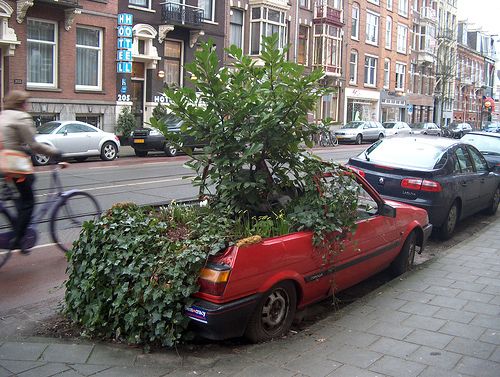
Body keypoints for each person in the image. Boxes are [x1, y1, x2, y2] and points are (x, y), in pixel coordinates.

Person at [0, 90, 61, 253]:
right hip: (13, 165)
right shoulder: (21, 117)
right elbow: (34, 145)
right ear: (21, 104)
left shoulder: (3, 115)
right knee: (29, 203)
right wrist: (55, 152)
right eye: (27, 103)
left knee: (24, 191)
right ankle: (18, 239)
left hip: (3, 164)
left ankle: (18, 224)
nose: (28, 106)